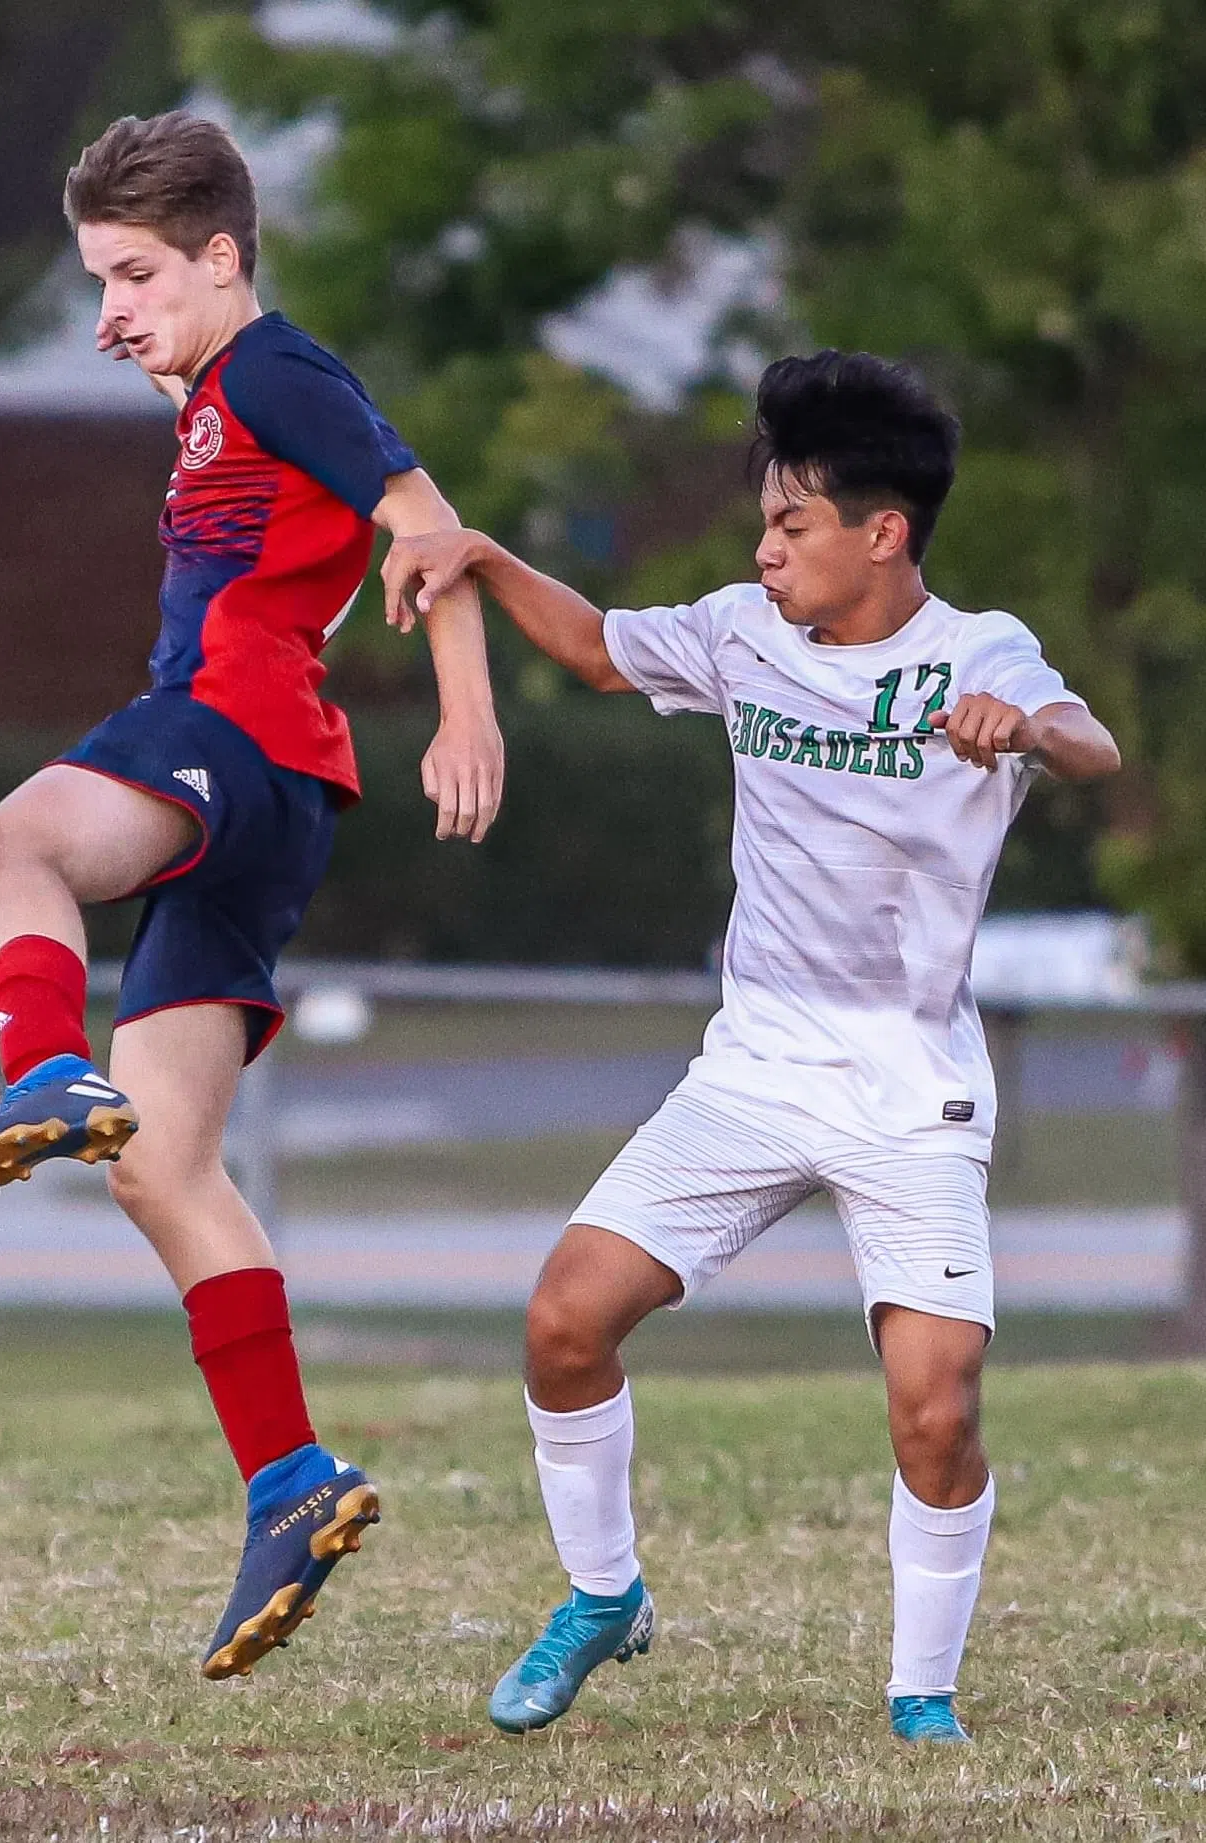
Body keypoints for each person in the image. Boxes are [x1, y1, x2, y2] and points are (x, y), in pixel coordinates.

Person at [381, 350, 1120, 1744]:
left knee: (936, 1409)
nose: (765, 550)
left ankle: (922, 1698)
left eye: (792, 524)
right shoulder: (737, 632)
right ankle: (604, 1595)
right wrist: (481, 553)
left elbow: (1092, 749)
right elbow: (596, 649)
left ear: (883, 533)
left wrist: (1024, 726)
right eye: (765, 525)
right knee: (563, 1324)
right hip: (756, 1067)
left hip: (910, 1086)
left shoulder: (979, 653)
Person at [0, 111, 504, 1682]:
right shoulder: (216, 394)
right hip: (281, 797)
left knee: (0, 857)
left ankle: (41, 1067)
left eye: (131, 277)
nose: (107, 313)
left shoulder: (270, 371)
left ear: (221, 258)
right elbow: (380, 519)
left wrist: (469, 714)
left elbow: (433, 528)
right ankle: (290, 1478)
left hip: (230, 731)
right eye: (96, 282)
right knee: (163, 1163)